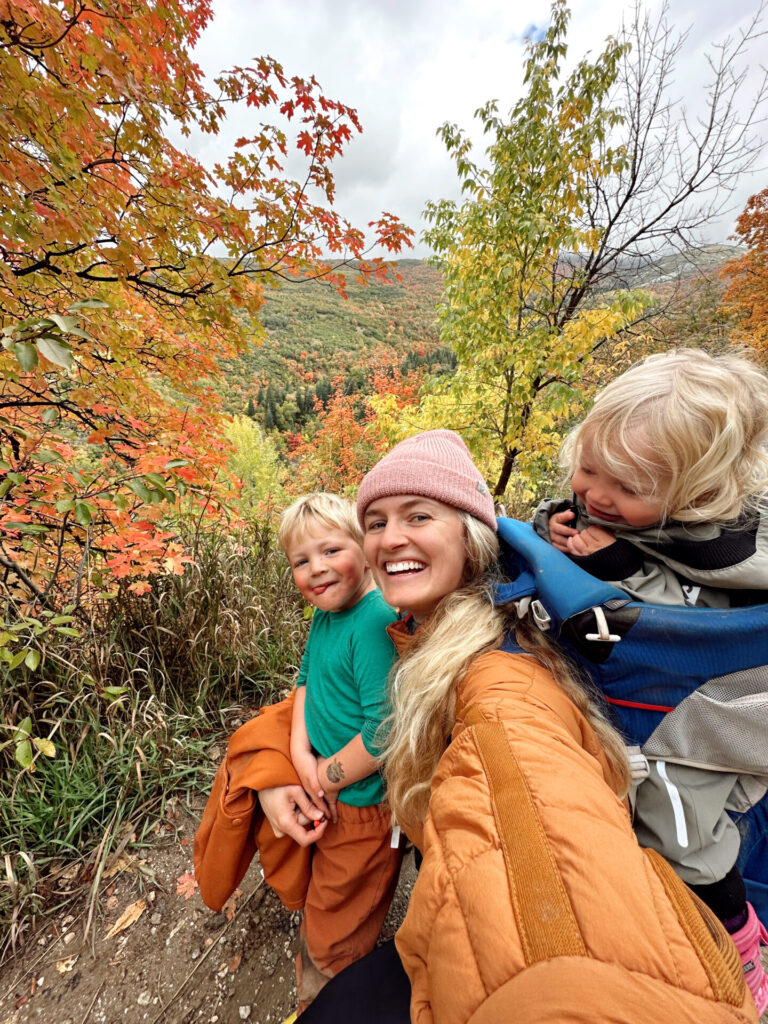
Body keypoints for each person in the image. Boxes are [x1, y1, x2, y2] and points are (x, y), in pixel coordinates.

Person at [301, 429, 758, 1023]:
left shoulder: (497, 677)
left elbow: (534, 827)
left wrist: (554, 991)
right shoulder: (426, 629)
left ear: (470, 534)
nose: (392, 539)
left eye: (418, 515)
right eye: (377, 522)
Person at [532, 349, 768, 1011]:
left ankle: (739, 939)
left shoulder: (725, 547)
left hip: (710, 710)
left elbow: (693, 618)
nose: (595, 494)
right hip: (637, 693)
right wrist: (561, 521)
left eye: (625, 490)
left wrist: (627, 571)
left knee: (676, 824)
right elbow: (600, 515)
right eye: (587, 467)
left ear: (692, 495)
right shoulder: (621, 501)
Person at [195, 493, 401, 1014]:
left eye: (331, 551)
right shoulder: (327, 617)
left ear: (365, 548)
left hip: (365, 806)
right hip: (332, 788)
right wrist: (299, 755)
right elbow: (306, 682)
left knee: (340, 916)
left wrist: (325, 779)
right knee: (327, 886)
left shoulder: (373, 622)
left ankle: (328, 997)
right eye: (301, 561)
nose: (316, 570)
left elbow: (383, 732)